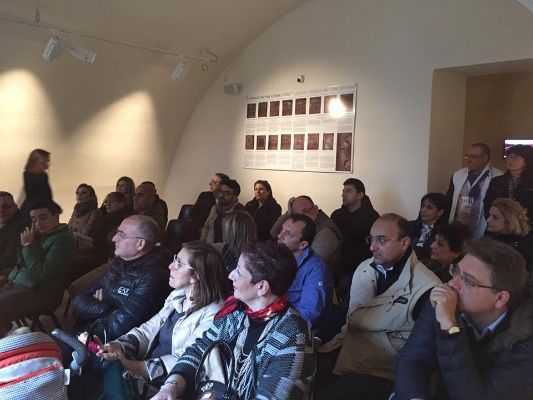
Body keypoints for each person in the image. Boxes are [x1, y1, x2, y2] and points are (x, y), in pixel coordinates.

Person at [151, 241, 315, 400]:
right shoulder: (237, 314)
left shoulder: (292, 335)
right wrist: (171, 386)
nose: (231, 275)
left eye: (239, 272)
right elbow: (198, 350)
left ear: (262, 287)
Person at [70, 242, 230, 399]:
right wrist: (116, 346)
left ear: (196, 275)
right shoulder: (178, 295)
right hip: (142, 371)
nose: (171, 266)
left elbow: (187, 360)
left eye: (179, 263)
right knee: (89, 370)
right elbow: (147, 331)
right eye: (175, 259)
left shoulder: (214, 313)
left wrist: (129, 365)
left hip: (167, 387)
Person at [317, 214, 441, 400]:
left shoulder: (426, 287)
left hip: (384, 372)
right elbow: (346, 312)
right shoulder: (366, 268)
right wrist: (317, 337)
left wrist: (392, 343)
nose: (372, 247)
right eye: (371, 239)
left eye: (381, 240)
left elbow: (427, 347)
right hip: (347, 354)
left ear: (404, 242)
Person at [394, 238, 533, 400]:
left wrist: (449, 328)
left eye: (468, 281)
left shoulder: (527, 344)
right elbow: (413, 358)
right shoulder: (445, 301)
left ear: (500, 298)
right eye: (456, 271)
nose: (452, 283)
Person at [73, 215, 171, 340]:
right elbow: (79, 300)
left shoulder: (153, 276)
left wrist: (97, 305)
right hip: (90, 332)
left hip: (112, 344)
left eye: (121, 235)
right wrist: (110, 310)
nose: (114, 239)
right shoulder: (119, 263)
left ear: (140, 244)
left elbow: (119, 328)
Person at [0, 200, 76, 335]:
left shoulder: (63, 240)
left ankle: (6, 343)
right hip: (19, 286)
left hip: (42, 293)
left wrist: (29, 246)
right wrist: (5, 274)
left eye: (43, 218)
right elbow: (22, 267)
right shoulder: (41, 236)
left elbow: (43, 277)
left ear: (56, 217)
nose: (38, 223)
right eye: (34, 219)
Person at [277, 213, 334, 337]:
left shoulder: (316, 269)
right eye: (282, 230)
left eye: (288, 234)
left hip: (299, 332)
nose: (280, 236)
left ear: (302, 244)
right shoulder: (278, 258)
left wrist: (274, 326)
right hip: (276, 320)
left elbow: (308, 314)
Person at [271, 195, 342, 287]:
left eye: (296, 216)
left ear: (310, 210)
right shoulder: (310, 223)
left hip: (318, 283)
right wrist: (288, 213)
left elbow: (307, 264)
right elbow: (274, 233)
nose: (280, 236)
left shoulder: (327, 232)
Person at [331, 178, 380, 298]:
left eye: (348, 191)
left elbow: (372, 248)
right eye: (343, 191)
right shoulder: (337, 215)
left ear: (360, 195)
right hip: (337, 265)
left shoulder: (372, 217)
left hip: (362, 268)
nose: (343, 195)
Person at [445, 143, 503, 238]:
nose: (468, 160)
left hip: (483, 229)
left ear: (485, 157)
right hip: (458, 228)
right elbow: (449, 200)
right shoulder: (458, 175)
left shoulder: (499, 177)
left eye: (473, 157)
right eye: (467, 156)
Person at [484, 144, 533, 223]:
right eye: (510, 156)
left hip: (525, 226)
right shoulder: (496, 181)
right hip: (497, 225)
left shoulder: (530, 183)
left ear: (526, 162)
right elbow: (487, 205)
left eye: (516, 157)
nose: (511, 160)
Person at [485, 198, 533, 272]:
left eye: (495, 217)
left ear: (510, 221)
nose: (488, 220)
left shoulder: (521, 250)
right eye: (489, 215)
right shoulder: (490, 237)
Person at [201, 179, 245, 244]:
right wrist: (202, 242)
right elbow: (206, 227)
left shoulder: (240, 213)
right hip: (209, 247)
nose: (221, 196)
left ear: (235, 197)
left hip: (226, 249)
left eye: (226, 193)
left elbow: (240, 240)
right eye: (221, 192)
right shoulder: (214, 208)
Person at [409, 192, 446, 260]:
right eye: (422, 206)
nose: (423, 210)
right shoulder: (409, 225)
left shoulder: (443, 232)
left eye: (429, 207)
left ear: (440, 212)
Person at [19, 149, 53, 224]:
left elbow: (47, 193)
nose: (47, 163)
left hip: (42, 206)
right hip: (33, 208)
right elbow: (34, 194)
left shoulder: (43, 175)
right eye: (44, 162)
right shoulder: (29, 175)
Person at [68, 183, 103, 253]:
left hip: (88, 243)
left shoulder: (95, 211)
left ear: (91, 196)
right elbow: (70, 225)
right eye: (77, 193)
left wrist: (74, 234)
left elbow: (89, 229)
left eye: (83, 193)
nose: (79, 195)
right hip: (74, 240)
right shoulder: (76, 211)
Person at [0, 191, 26, 282]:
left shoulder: (21, 228)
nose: (1, 210)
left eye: (6, 206)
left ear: (15, 207)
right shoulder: (4, 224)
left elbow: (10, 259)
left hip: (11, 277)